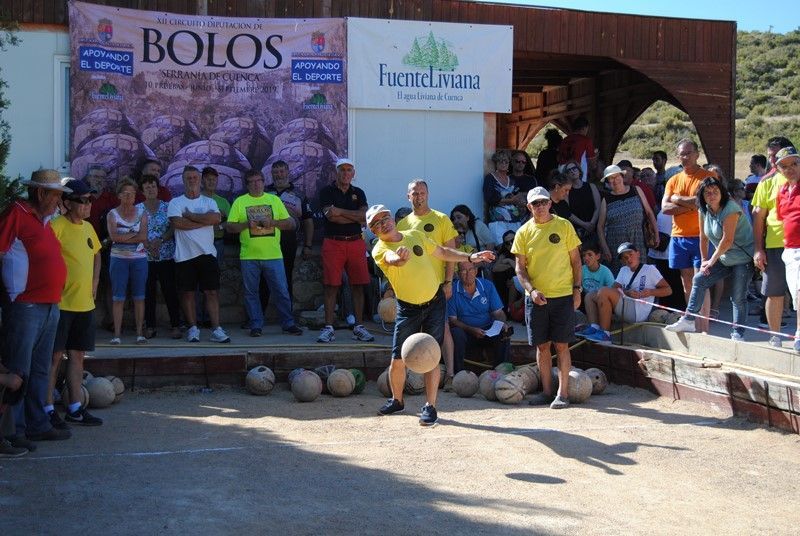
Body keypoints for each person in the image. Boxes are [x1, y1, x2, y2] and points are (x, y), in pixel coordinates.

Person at [368, 204, 495, 426]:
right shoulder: (379, 248)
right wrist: (399, 259)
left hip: (434, 302)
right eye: (377, 223)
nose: (383, 223)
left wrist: (471, 257)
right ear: (373, 230)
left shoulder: (415, 234)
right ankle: (397, 400)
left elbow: (442, 252)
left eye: (385, 217)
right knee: (397, 359)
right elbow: (390, 258)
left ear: (392, 218)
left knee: (431, 356)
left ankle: (430, 406)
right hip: (408, 309)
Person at [0, 169, 71, 446]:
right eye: (56, 195)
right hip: (25, 304)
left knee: (40, 369)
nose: (59, 201)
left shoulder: (46, 220)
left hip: (50, 304)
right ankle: (13, 431)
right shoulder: (16, 214)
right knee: (19, 369)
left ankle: (36, 423)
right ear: (40, 193)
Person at [511, 186, 582, 409]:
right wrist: (531, 291)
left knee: (562, 345)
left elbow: (576, 261)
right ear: (529, 207)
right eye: (535, 204)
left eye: (543, 202)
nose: (540, 207)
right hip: (536, 298)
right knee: (542, 347)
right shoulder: (523, 232)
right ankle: (546, 392)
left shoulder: (564, 225)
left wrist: (577, 289)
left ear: (550, 203)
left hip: (562, 295)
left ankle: (563, 394)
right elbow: (519, 269)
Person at [666, 177, 755, 341]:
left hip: (743, 258)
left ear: (722, 192)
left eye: (715, 191)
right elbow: (703, 237)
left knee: (737, 297)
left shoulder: (731, 209)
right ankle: (689, 319)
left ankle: (738, 333)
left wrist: (710, 262)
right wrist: (703, 260)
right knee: (699, 279)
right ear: (702, 196)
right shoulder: (703, 209)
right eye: (707, 192)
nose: (712, 195)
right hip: (724, 257)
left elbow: (727, 241)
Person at [46, 179, 103, 428]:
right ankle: (47, 409)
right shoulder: (55, 226)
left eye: (91, 200)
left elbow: (97, 254)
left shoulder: (89, 228)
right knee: (54, 358)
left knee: (78, 356)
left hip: (84, 305)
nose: (89, 204)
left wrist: (95, 282)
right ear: (67, 203)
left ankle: (75, 407)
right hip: (60, 305)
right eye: (84, 200)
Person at [397, 180, 459, 389]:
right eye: (415, 193)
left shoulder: (441, 219)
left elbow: (449, 253)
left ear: (428, 195)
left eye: (422, 193)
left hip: (437, 288)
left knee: (443, 330)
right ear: (408, 196)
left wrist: (448, 282)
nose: (419, 196)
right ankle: (409, 379)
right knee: (411, 336)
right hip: (412, 293)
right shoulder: (403, 224)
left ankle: (449, 374)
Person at [226, 169, 302, 337]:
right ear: (247, 185)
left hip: (273, 255)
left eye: (258, 180)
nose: (255, 184)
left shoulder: (274, 200)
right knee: (251, 293)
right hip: (249, 256)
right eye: (252, 181)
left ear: (263, 182)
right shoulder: (240, 202)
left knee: (281, 291)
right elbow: (230, 227)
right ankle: (256, 325)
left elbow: (290, 224)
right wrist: (246, 225)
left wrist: (272, 222)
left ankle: (288, 323)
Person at [168, 166, 230, 343]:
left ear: (200, 179)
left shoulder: (209, 202)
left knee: (212, 292)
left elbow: (216, 219)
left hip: (207, 254)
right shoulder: (176, 202)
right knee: (187, 294)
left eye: (195, 177)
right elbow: (178, 223)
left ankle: (216, 329)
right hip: (184, 256)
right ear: (183, 180)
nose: (192, 180)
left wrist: (190, 215)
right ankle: (193, 329)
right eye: (188, 178)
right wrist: (203, 221)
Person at [661, 139, 715, 331]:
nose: (685, 157)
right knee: (686, 280)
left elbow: (705, 201)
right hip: (679, 236)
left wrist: (678, 199)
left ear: (697, 154)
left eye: (688, 153)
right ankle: (691, 322)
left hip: (702, 235)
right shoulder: (673, 180)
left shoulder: (708, 176)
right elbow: (665, 208)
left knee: (701, 279)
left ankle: (704, 327)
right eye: (682, 154)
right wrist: (690, 204)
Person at [317, 158, 374, 343]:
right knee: (331, 285)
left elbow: (365, 218)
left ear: (354, 173)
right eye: (342, 170)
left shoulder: (359, 192)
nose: (346, 173)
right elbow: (331, 218)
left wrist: (340, 211)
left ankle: (359, 326)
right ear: (337, 172)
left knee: (358, 284)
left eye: (349, 170)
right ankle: (328, 327)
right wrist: (354, 216)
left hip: (356, 242)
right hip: (333, 243)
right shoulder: (327, 191)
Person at [580, 243, 671, 344]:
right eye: (625, 257)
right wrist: (627, 293)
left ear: (638, 254)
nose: (628, 259)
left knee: (603, 291)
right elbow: (614, 288)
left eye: (630, 255)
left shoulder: (650, 269)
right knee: (590, 295)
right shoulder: (623, 270)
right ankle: (594, 327)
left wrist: (650, 292)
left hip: (638, 311)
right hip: (626, 304)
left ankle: (605, 334)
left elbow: (668, 290)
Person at [752, 146, 791, 347]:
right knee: (774, 292)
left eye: (777, 156)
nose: (773, 160)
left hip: (797, 245)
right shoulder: (766, 181)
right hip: (775, 245)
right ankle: (775, 337)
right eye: (770, 156)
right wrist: (758, 249)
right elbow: (758, 217)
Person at [137, 174, 182, 340]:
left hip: (166, 256)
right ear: (142, 190)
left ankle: (176, 325)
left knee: (170, 291)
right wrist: (147, 243)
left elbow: (173, 227)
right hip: (145, 257)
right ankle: (150, 326)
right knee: (148, 293)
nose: (150, 189)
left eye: (153, 186)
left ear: (158, 189)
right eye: (147, 187)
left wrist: (161, 240)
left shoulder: (167, 206)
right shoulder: (138, 209)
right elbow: (134, 230)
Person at [107, 177, 149, 345]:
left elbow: (144, 237)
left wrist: (125, 236)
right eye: (125, 194)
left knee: (139, 296)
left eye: (132, 194)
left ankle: (139, 333)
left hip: (139, 259)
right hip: (118, 259)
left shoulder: (141, 213)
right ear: (119, 195)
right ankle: (117, 334)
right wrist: (134, 234)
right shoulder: (112, 214)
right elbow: (114, 237)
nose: (129, 197)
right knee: (118, 298)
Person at [448, 260, 511, 372]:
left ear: (476, 271)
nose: (468, 274)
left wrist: (501, 323)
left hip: (487, 331)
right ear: (458, 274)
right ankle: (458, 373)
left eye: (471, 269)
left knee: (503, 331)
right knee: (456, 333)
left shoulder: (487, 286)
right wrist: (471, 329)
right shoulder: (452, 290)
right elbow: (452, 320)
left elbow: (498, 313)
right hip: (466, 332)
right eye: (463, 271)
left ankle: (500, 373)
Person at [266, 160, 315, 300]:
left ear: (287, 172)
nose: (279, 175)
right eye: (275, 172)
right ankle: (260, 316)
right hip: (266, 241)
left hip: (289, 241)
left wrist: (308, 245)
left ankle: (288, 316)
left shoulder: (299, 194)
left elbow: (308, 221)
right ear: (271, 174)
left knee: (286, 275)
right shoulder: (265, 192)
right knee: (264, 279)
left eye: (282, 171)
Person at [597, 165, 659, 275]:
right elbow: (600, 227)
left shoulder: (636, 190)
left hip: (638, 241)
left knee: (641, 274)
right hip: (616, 246)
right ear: (607, 181)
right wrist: (605, 248)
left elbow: (649, 212)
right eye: (611, 178)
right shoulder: (606, 199)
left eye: (617, 176)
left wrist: (656, 234)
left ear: (622, 176)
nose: (615, 180)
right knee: (621, 278)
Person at [774, 147, 800, 352]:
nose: (790, 168)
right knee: (795, 294)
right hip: (789, 249)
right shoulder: (782, 191)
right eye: (785, 165)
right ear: (778, 169)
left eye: (794, 163)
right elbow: (784, 218)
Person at [483, 150, 526, 244]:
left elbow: (517, 195)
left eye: (506, 161)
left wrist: (520, 200)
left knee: (517, 246)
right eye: (500, 161)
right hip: (498, 221)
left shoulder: (512, 180)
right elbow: (490, 199)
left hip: (514, 219)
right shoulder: (490, 178)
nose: (503, 164)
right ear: (496, 163)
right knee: (501, 246)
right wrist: (511, 200)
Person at [563, 161, 601, 241]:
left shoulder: (591, 186)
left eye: (574, 168)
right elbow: (568, 213)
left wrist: (592, 224)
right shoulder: (567, 191)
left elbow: (598, 207)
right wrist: (584, 225)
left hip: (594, 229)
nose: (572, 171)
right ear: (566, 175)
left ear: (579, 170)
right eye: (569, 170)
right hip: (577, 232)